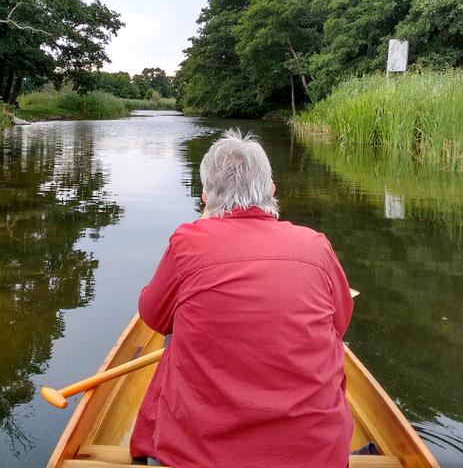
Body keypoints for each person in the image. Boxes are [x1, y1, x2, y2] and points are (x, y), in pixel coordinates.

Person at [130, 129, 354, 468]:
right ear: (272, 190)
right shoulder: (316, 245)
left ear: (204, 196)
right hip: (316, 455)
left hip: (201, 457)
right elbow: (340, 325)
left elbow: (153, 317)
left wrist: (201, 224)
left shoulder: (188, 243)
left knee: (171, 340)